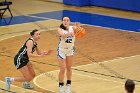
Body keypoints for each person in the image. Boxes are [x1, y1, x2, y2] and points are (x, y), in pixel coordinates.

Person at [57, 16, 80, 93]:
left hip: (70, 50)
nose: (66, 21)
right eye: (64, 20)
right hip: (62, 51)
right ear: (62, 22)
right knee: (62, 69)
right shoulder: (60, 29)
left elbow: (79, 30)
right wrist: (70, 33)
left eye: (67, 20)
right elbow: (63, 35)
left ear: (69, 22)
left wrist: (78, 28)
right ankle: (60, 86)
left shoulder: (72, 28)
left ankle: (68, 86)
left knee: (69, 68)